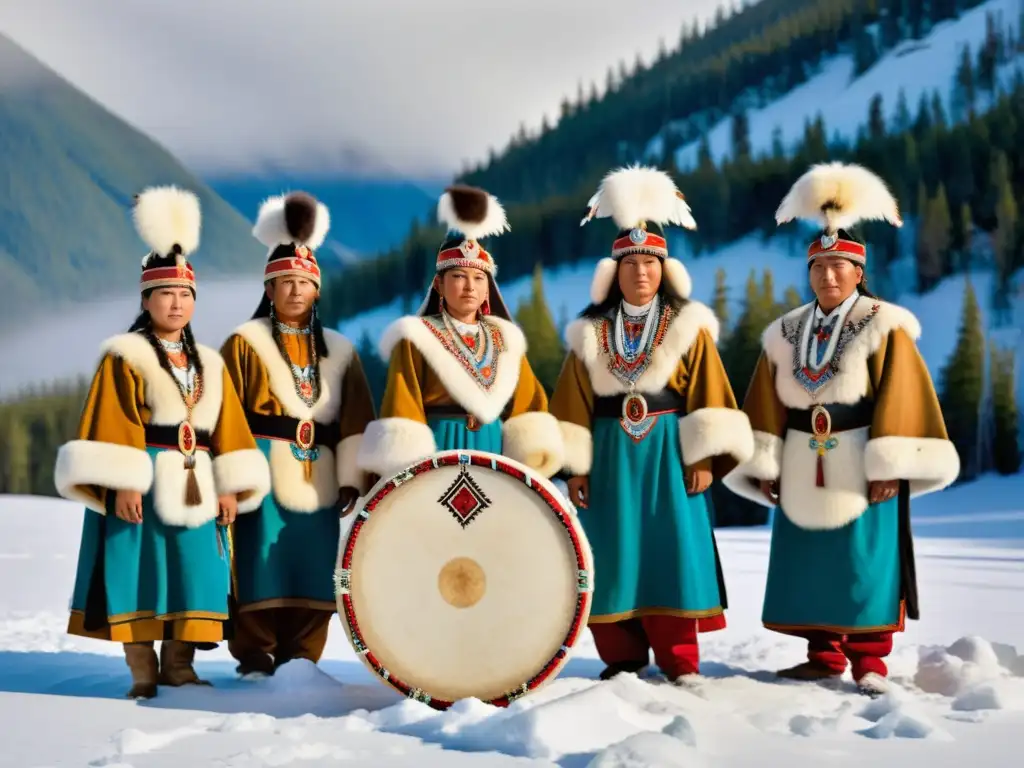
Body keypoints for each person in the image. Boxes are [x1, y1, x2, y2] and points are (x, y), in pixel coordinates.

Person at [723, 162, 960, 696]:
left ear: (859, 272)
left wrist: (889, 468)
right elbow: (764, 401)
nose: (828, 276)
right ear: (808, 272)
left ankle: (870, 661)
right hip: (802, 455)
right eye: (819, 267)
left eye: (839, 267)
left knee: (863, 557)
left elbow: (903, 395)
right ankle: (821, 654)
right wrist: (764, 463)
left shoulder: (885, 324)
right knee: (810, 558)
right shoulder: (785, 332)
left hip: (859, 455)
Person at [55, 186, 271, 699]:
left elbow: (229, 431)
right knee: (141, 571)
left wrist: (229, 488)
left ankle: (180, 665)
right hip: (145, 478)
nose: (176, 303)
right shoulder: (125, 356)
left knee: (194, 571)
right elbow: (115, 420)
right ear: (146, 299)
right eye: (166, 294)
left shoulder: (211, 363)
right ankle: (143, 672)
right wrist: (124, 484)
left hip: (198, 479)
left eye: (185, 294)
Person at [549, 166, 754, 684]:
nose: (641, 273)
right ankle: (621, 658)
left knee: (671, 551)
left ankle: (680, 663)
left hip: (669, 456)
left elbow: (710, 398)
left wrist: (704, 458)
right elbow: (572, 405)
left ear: (665, 270)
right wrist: (577, 468)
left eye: (651, 263)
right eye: (631, 264)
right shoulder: (590, 333)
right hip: (610, 458)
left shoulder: (690, 329)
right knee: (612, 553)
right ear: (613, 273)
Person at [220, 191, 376, 677]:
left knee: (313, 560)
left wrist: (353, 477)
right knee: (260, 559)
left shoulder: (340, 350)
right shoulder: (243, 344)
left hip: (322, 473)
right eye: (284, 282)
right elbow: (223, 415)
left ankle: (304, 657)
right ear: (269, 289)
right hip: (261, 469)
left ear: (318, 290)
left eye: (303, 282)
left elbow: (357, 419)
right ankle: (255, 652)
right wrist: (230, 476)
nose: (294, 291)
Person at [356, 185, 562, 479]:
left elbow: (528, 406)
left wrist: (533, 459)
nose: (469, 287)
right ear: (439, 284)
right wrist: (405, 472)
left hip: (493, 454)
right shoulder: (416, 339)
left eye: (479, 278)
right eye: (458, 276)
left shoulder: (506, 342)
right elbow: (403, 408)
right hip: (436, 454)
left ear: (488, 287)